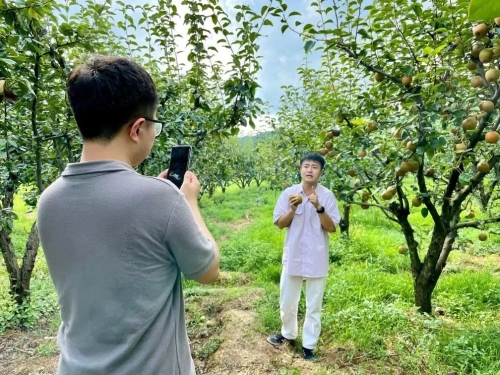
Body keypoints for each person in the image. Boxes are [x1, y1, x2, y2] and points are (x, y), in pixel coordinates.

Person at [36, 55, 220, 375]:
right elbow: (207, 271)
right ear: (137, 128)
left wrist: (164, 201)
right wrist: (188, 201)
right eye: (154, 126)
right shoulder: (161, 199)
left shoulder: (48, 201)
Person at [267, 152, 341, 361]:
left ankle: (309, 345)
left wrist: (318, 207)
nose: (310, 170)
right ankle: (287, 334)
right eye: (306, 166)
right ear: (300, 169)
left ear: (321, 172)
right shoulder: (289, 193)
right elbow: (280, 224)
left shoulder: (327, 196)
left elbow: (331, 227)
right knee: (287, 300)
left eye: (314, 167)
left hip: (317, 256)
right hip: (294, 255)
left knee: (314, 304)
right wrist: (292, 209)